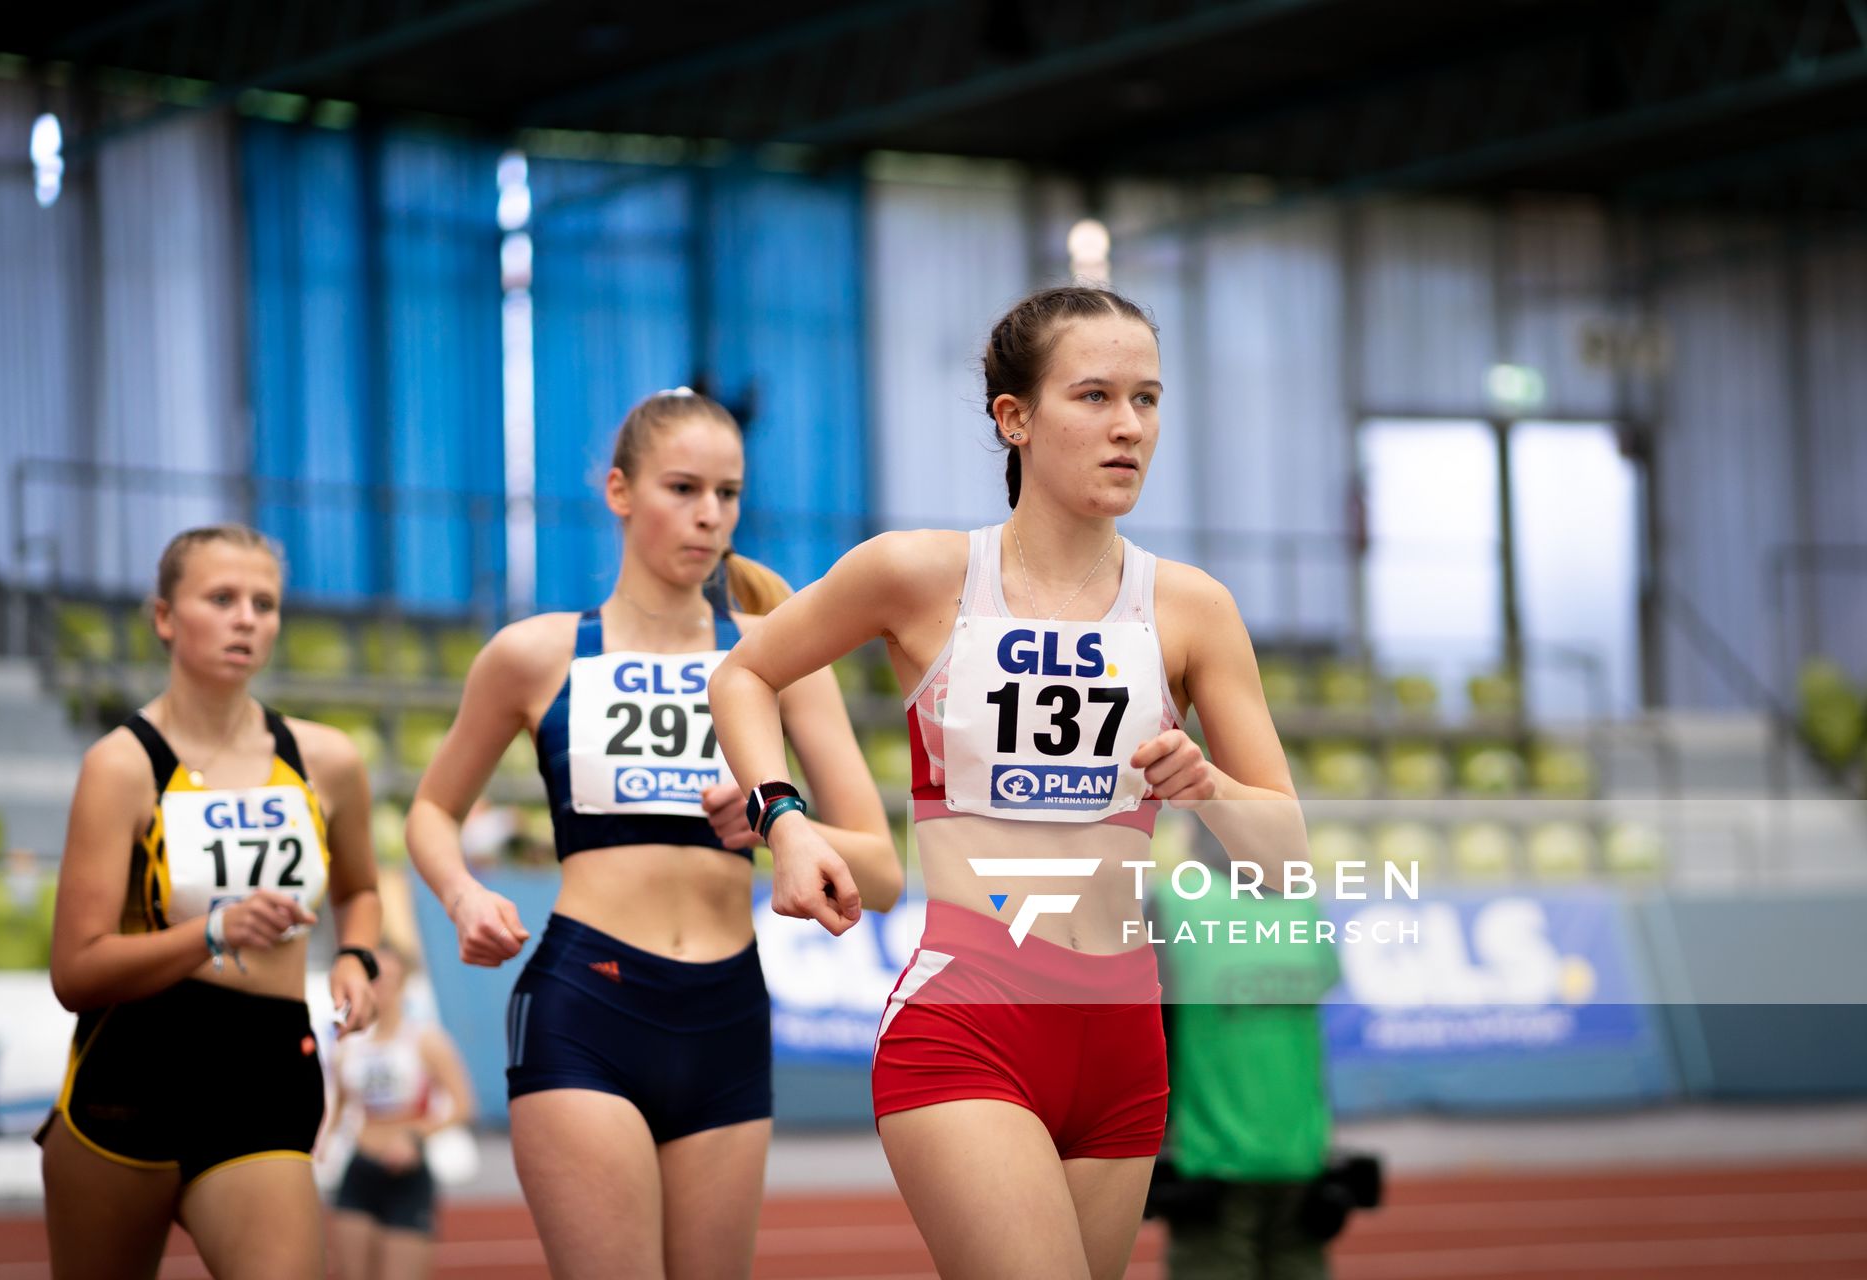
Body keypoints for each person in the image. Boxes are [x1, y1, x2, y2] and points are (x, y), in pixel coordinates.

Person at [710, 286, 1307, 1280]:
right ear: (1014, 417)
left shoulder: (1195, 609)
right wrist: (786, 820)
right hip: (970, 1021)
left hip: (1123, 1039)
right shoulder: (922, 573)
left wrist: (1206, 785)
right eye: (1095, 396)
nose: (1128, 426)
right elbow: (745, 672)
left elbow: (1287, 859)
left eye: (1148, 399)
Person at [406, 388, 901, 1280]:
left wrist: (774, 824)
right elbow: (432, 810)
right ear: (620, 491)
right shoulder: (536, 654)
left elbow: (882, 869)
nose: (710, 516)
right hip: (586, 1003)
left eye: (729, 493)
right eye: (683, 488)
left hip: (727, 1015)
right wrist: (463, 892)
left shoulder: (779, 652)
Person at [40, 523, 383, 1280]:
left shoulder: (325, 759)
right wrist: (214, 931)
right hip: (131, 1073)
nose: (246, 619)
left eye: (264, 603)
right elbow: (76, 971)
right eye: (221, 598)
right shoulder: (121, 767)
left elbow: (360, 889)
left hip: (263, 1071)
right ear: (165, 617)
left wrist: (358, 957)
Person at [1153, 878, 1342, 1280]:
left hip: (1211, 1156)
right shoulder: (1305, 907)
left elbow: (1151, 1028)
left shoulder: (1174, 903)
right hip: (1301, 1151)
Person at [327, 944, 477, 1280]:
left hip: (407, 1174)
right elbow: (335, 1111)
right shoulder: (348, 1044)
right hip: (359, 1170)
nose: (379, 987)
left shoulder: (425, 1039)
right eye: (372, 978)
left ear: (403, 982)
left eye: (388, 978)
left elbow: (464, 1105)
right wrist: (316, 1154)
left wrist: (414, 1137)